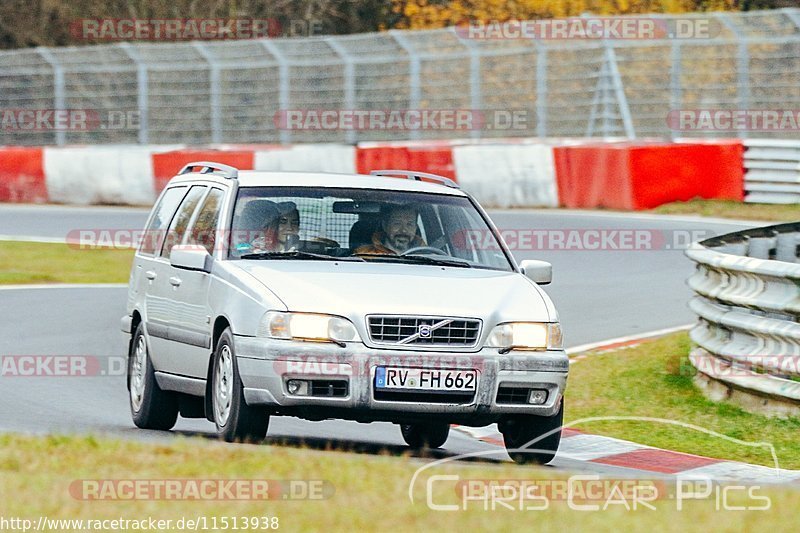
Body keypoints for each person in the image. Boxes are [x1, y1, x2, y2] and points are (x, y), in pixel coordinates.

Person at [354, 203, 426, 255]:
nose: (404, 230)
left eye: (409, 224)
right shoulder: (364, 255)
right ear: (385, 226)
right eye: (397, 223)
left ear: (415, 228)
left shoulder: (429, 257)